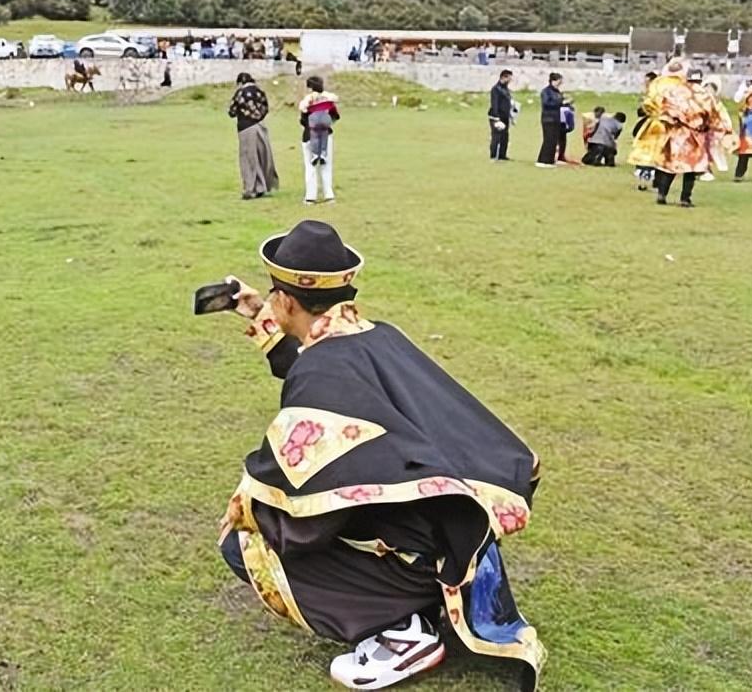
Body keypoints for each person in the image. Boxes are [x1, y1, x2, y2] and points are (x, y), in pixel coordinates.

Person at [216, 220, 544, 690]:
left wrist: (246, 510)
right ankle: (410, 601)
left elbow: (296, 495)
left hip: (422, 560)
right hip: (455, 538)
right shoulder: (379, 337)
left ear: (286, 300)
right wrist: (255, 312)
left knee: (248, 539)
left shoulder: (323, 373)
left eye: (272, 296)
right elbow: (320, 363)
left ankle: (400, 631)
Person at [646, 64, 729, 207]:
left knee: (670, 167)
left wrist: (672, 123)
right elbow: (714, 116)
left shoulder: (674, 92)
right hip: (695, 136)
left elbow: (664, 110)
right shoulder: (706, 95)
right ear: (700, 79)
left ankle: (662, 195)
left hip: (677, 134)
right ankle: (685, 199)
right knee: (691, 169)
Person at [229, 73, 280, 201]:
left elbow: (232, 111)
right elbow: (266, 108)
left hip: (246, 127)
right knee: (263, 156)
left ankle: (251, 189)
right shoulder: (260, 92)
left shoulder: (240, 93)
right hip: (260, 126)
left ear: (240, 82)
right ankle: (264, 186)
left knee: (248, 159)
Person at [298, 76, 339, 204]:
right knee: (326, 165)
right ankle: (328, 194)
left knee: (310, 166)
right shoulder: (328, 100)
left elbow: (303, 119)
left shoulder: (307, 101)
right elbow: (335, 116)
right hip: (327, 134)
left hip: (309, 135)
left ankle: (311, 196)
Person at [629, 71, 661, 190]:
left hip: (653, 125)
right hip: (648, 124)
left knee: (651, 151)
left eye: (647, 82)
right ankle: (643, 180)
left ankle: (649, 179)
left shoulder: (656, 94)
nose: (645, 84)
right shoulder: (650, 94)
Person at [535, 73, 567, 168]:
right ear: (553, 81)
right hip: (548, 118)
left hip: (556, 118)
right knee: (548, 139)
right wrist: (560, 102)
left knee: (554, 140)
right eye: (558, 82)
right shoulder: (546, 91)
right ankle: (543, 160)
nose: (559, 84)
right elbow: (546, 103)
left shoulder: (557, 92)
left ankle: (551, 159)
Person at [733, 74, 752, 180]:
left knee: (746, 149)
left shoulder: (750, 89)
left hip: (751, 117)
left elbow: (738, 100)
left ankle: (739, 174)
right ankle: (739, 174)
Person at [487, 69, 514, 161]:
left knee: (505, 136)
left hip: (505, 116)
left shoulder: (506, 89)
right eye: (509, 78)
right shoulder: (496, 89)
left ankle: (502, 155)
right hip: (497, 116)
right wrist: (496, 117)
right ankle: (494, 155)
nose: (510, 80)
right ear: (504, 77)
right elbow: (495, 103)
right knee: (496, 136)